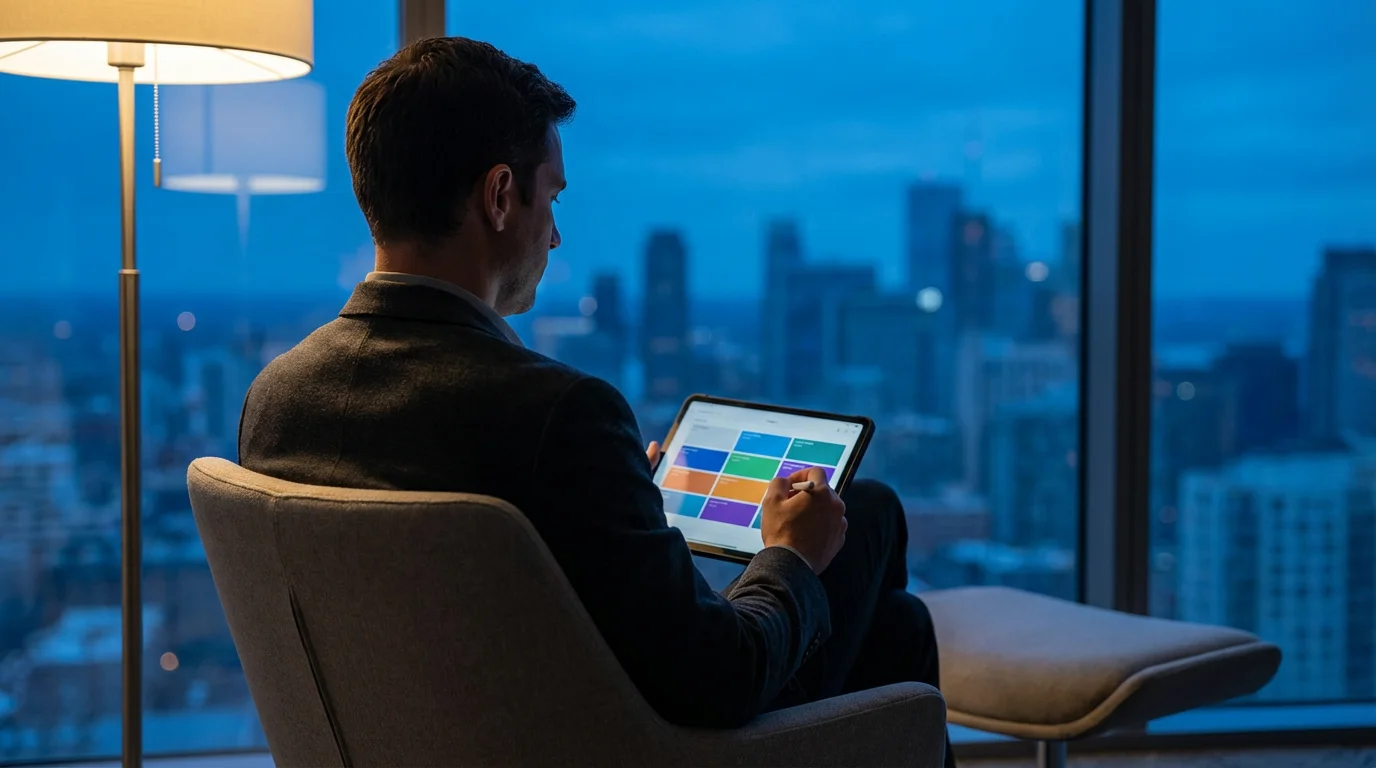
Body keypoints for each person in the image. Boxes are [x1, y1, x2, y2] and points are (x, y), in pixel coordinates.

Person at [238, 36, 954, 766]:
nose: (553, 233)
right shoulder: (557, 415)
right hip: (605, 746)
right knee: (862, 514)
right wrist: (790, 556)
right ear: (498, 196)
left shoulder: (277, 396)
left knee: (897, 628)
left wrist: (611, 506)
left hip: (411, 738)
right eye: (550, 198)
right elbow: (719, 680)